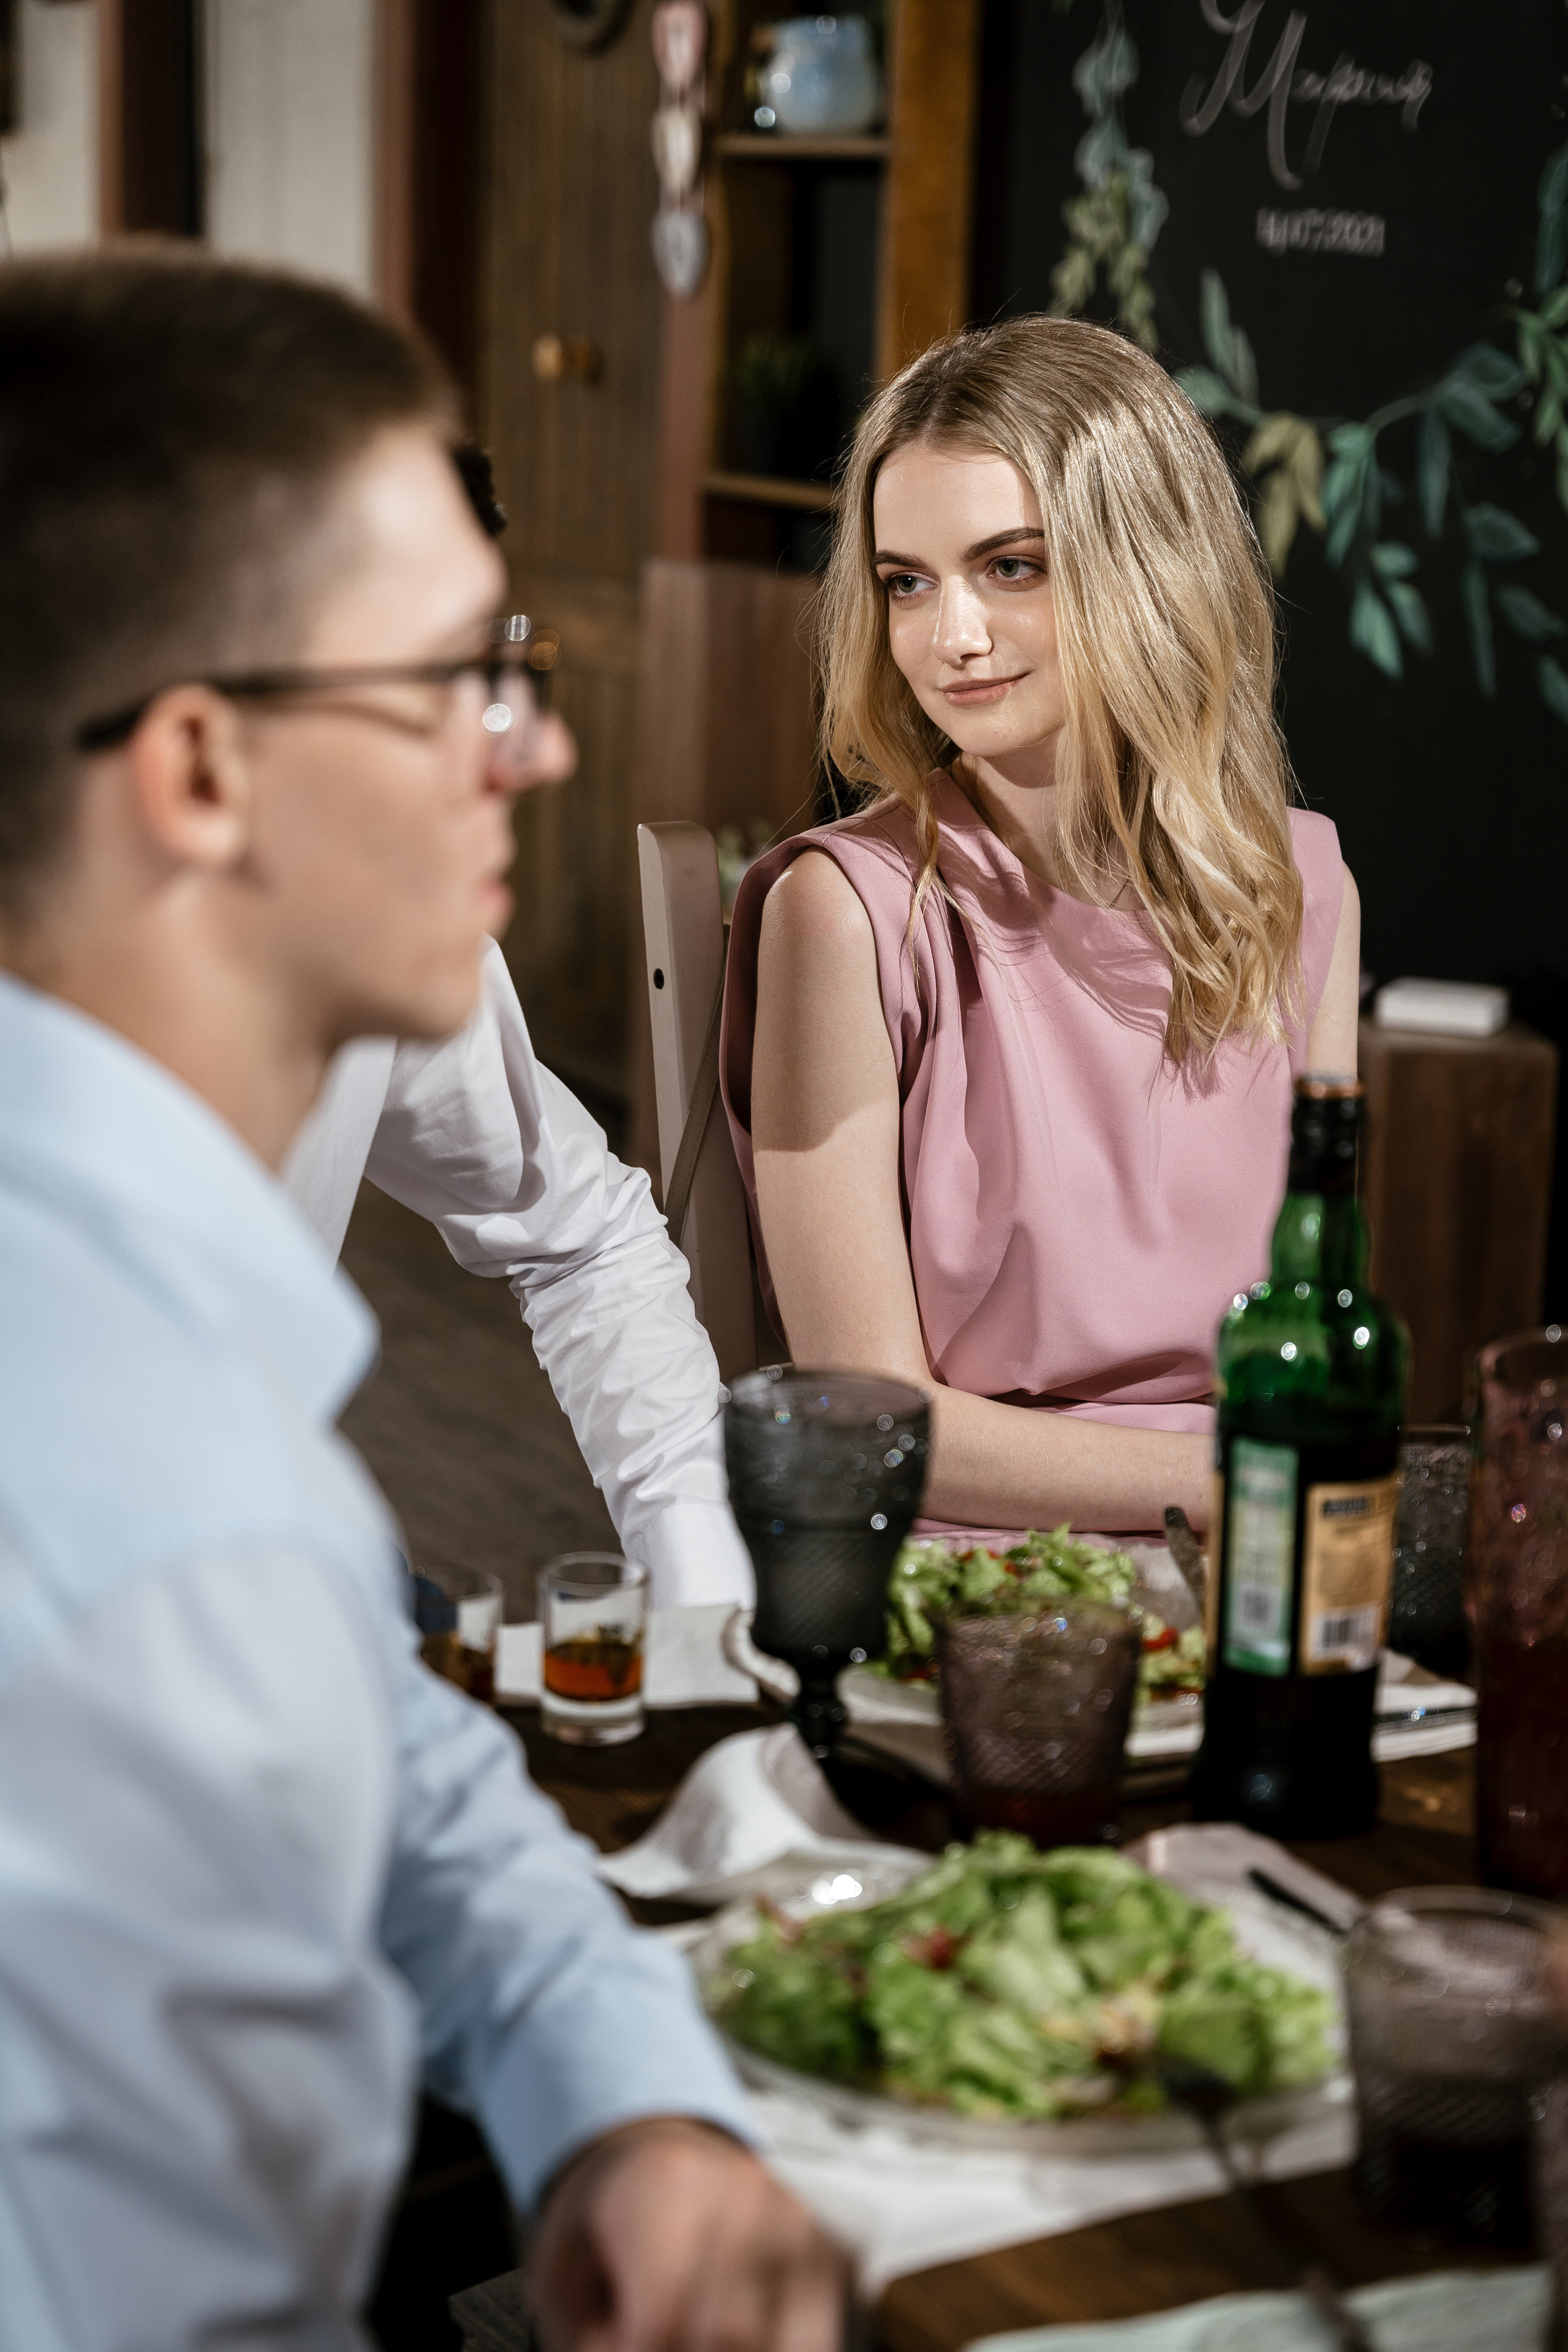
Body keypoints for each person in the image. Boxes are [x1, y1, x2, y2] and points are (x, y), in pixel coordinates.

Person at [0, 250, 840, 2351]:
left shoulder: (226, 1478)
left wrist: (621, 2095)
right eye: (458, 678)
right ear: (201, 773)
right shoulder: (139, 1535)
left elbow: (379, 1725)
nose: (538, 749)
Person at [722, 317, 1359, 1545]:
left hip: (1259, 1556)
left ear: (1147, 566)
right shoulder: (841, 911)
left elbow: (1311, 1337)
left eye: (1009, 566)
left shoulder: (1303, 881)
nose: (945, 637)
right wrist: (1252, 1489)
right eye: (906, 581)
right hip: (977, 1573)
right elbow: (870, 1415)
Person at [281, 544, 752, 1614]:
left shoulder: (387, 921)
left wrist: (707, 1605)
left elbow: (580, 1233)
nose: (542, 749)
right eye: (437, 681)